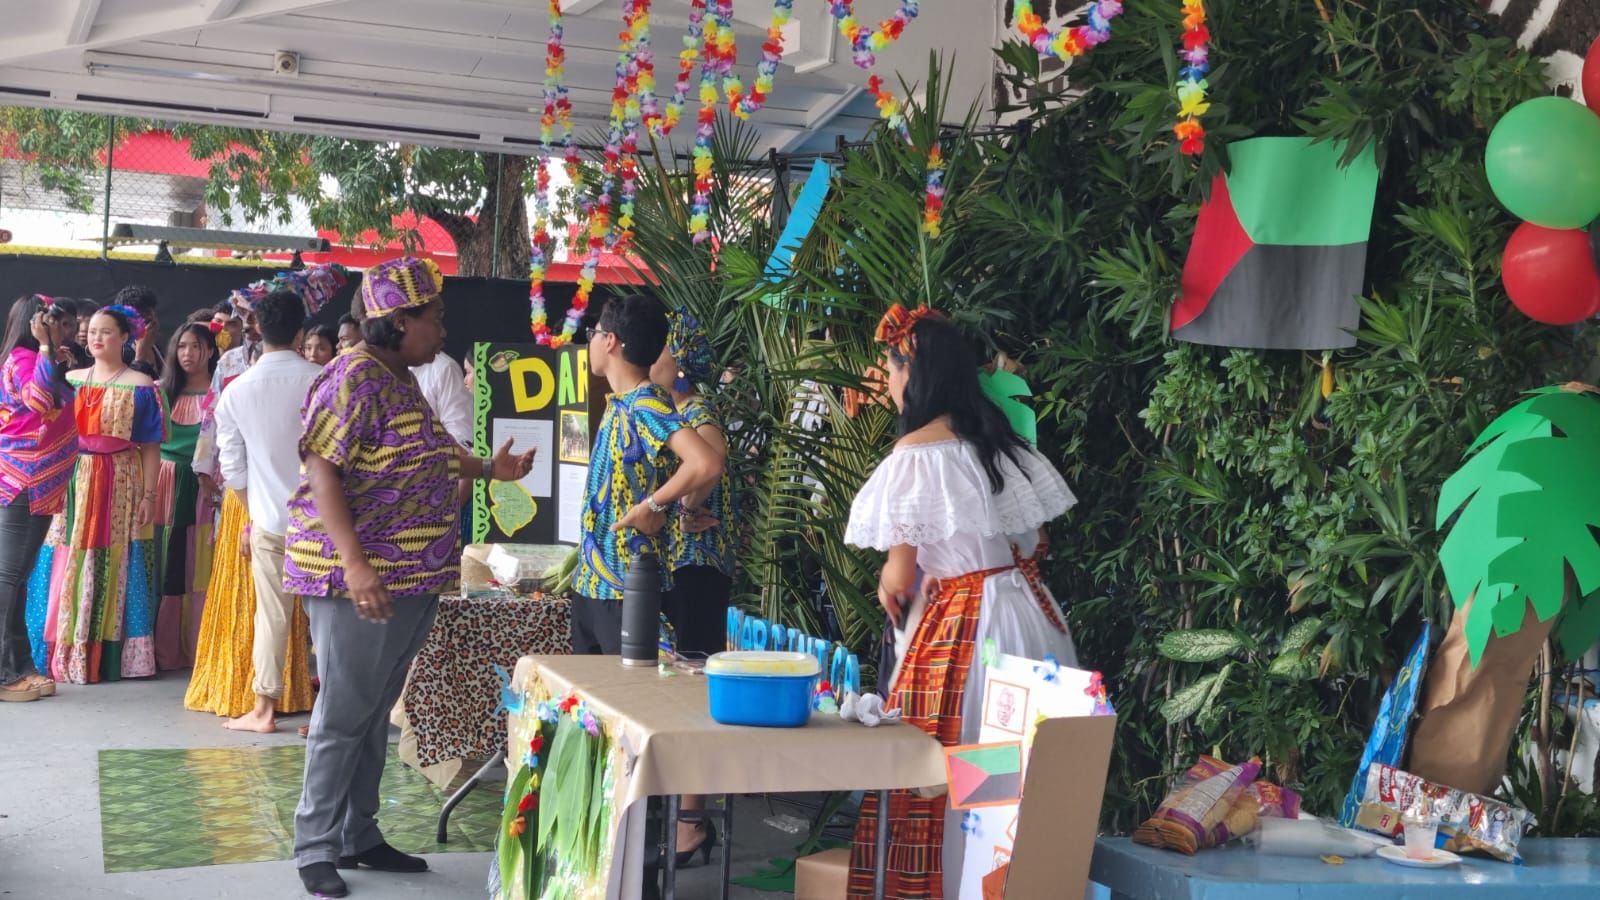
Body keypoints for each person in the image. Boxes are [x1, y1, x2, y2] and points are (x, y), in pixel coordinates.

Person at [285, 257, 535, 899]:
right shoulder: (353, 377)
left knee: (371, 712)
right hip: (359, 581)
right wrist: (355, 563)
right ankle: (315, 847)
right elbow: (321, 468)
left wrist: (490, 470)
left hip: (413, 577)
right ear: (399, 321)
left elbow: (428, 453)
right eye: (436, 317)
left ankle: (358, 834)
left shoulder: (400, 378)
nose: (444, 330)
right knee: (343, 715)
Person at [842, 306, 1079, 899]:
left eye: (891, 369)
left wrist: (895, 583)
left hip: (970, 632)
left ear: (913, 373)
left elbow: (900, 576)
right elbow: (1034, 540)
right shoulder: (1004, 443)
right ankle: (1018, 883)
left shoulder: (916, 454)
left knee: (957, 767)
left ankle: (957, 885)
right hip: (1035, 622)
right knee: (1020, 770)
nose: (888, 382)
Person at [571, 293, 723, 655]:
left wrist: (653, 504)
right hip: (596, 582)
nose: (590, 342)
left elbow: (706, 462)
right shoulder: (623, 402)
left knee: (634, 686)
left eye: (593, 333)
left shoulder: (645, 403)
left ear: (611, 341)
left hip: (628, 582)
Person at [36, 305, 167, 683]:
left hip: (119, 478)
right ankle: (62, 647)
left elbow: (151, 446)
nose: (96, 337)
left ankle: (107, 654)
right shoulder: (70, 379)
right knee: (65, 552)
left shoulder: (141, 385)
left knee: (117, 555)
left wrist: (149, 496)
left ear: (125, 337)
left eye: (106, 331)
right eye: (92, 330)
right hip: (72, 477)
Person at [215, 290, 322, 734]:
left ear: (257, 329)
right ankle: (327, 713)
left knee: (271, 615)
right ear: (301, 333)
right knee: (326, 621)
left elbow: (232, 469)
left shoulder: (236, 391)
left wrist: (254, 511)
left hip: (270, 522)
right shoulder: (324, 380)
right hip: (325, 522)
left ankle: (263, 709)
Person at [650, 306, 735, 864]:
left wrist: (684, 506)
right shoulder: (672, 410)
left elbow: (714, 459)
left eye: (658, 350)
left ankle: (690, 822)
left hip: (698, 569)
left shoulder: (695, 408)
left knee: (693, 690)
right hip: (684, 568)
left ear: (678, 360)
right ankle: (682, 816)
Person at [0, 296, 76, 702]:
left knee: (17, 578)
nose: (66, 330)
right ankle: (4, 673)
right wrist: (46, 348)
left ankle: (19, 665)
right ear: (36, 325)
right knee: (8, 578)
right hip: (23, 482)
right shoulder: (23, 360)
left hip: (39, 484)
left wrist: (53, 355)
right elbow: (39, 401)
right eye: (56, 323)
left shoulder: (37, 360)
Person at [152, 323, 219, 672]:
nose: (188, 354)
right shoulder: (160, 391)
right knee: (166, 559)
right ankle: (163, 647)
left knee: (198, 561)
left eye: (196, 346)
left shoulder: (221, 393)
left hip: (204, 484)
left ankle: (197, 645)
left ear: (211, 351)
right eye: (181, 346)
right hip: (164, 481)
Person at [110, 285, 163, 377]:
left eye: (150, 312)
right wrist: (140, 355)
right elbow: (125, 384)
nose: (150, 318)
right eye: (141, 314)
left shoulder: (155, 348)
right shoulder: (118, 353)